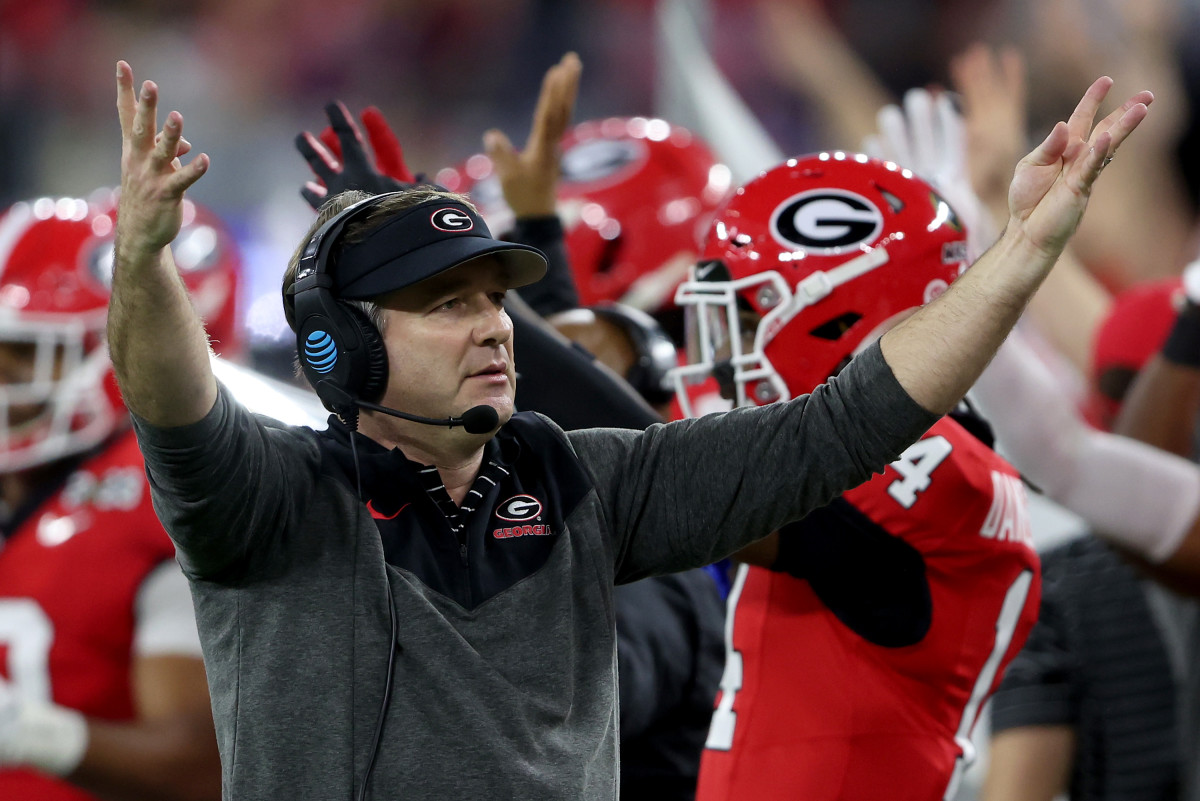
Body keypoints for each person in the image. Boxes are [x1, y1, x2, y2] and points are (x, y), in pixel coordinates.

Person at [108, 55, 1148, 799]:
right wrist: (145, 261)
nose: (492, 329)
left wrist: (1018, 255)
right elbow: (171, 400)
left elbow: (844, 422)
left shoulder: (583, 483)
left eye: (492, 300)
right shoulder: (270, 497)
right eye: (447, 306)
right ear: (340, 351)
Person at [678, 153, 1040, 801]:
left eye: (752, 318)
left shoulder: (933, 461)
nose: (729, 355)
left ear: (839, 315)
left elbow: (690, 494)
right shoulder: (948, 453)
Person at [0, 190, 230, 801]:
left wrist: (23, 731)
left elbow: (203, 770)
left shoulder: (162, 500)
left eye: (23, 356)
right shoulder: (26, 483)